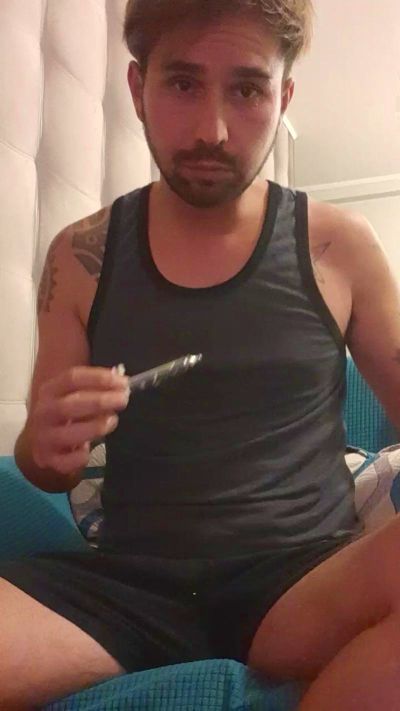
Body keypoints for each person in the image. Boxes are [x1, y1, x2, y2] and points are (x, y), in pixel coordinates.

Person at [2, 0, 400, 708]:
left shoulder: (341, 247)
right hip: (127, 586)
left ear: (283, 97)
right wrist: (48, 443)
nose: (212, 130)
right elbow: (41, 463)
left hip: (303, 583)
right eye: (183, 84)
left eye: (246, 89)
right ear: (137, 88)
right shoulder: (79, 256)